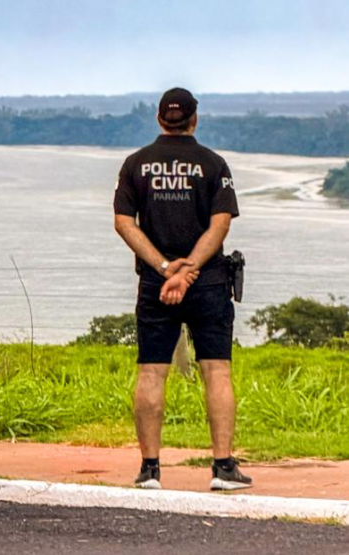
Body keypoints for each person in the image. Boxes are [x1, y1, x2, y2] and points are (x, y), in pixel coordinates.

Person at [113, 88, 252, 491]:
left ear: (159, 119)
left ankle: (150, 470)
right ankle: (223, 468)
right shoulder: (213, 164)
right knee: (217, 370)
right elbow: (220, 223)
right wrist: (189, 270)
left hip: (156, 284)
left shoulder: (135, 164)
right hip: (207, 281)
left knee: (151, 372)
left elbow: (124, 223)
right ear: (195, 119)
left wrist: (163, 268)